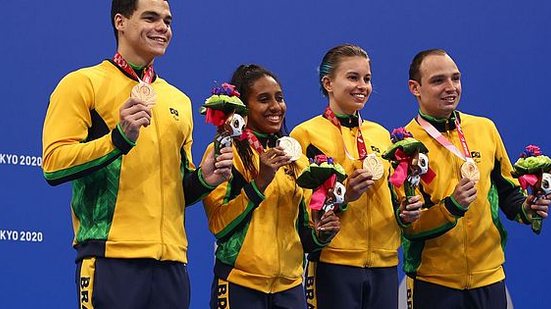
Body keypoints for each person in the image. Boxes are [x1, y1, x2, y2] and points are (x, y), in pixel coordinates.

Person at [42, 1, 233, 308]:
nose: (163, 27)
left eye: (168, 21)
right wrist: (118, 139)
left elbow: (178, 190)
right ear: (121, 21)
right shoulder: (82, 84)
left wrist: (204, 179)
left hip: (172, 262)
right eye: (151, 18)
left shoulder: (179, 101)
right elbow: (53, 165)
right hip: (111, 258)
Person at [395, 48, 550, 308]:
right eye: (438, 80)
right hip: (433, 281)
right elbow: (410, 226)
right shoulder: (405, 145)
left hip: (489, 276)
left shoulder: (485, 129)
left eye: (455, 78)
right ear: (415, 88)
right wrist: (452, 207)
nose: (451, 87)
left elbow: (507, 191)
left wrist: (527, 207)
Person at [291, 44, 422, 309]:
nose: (362, 85)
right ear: (328, 83)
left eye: (367, 79)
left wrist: (407, 209)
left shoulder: (382, 135)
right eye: (352, 77)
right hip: (334, 262)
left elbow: (395, 193)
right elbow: (303, 210)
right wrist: (344, 196)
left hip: (384, 262)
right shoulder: (305, 135)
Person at [202, 64, 341, 309]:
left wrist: (320, 234)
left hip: (289, 288)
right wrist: (260, 182)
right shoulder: (225, 153)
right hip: (240, 285)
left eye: (279, 98)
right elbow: (219, 225)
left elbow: (303, 233)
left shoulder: (295, 158)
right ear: (244, 107)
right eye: (264, 99)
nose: (276, 107)